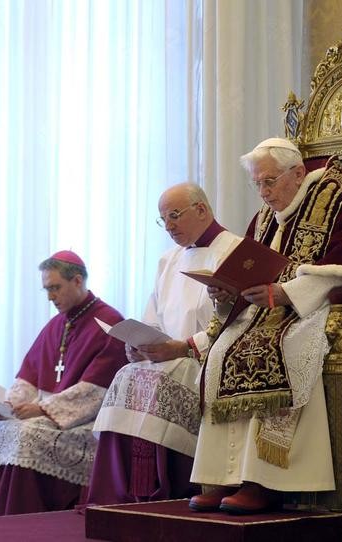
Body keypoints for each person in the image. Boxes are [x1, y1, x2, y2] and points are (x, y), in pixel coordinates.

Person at [188, 137, 342, 514]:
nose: (263, 193)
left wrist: (289, 292)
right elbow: (247, 266)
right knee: (221, 351)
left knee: (283, 349)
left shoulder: (341, 205)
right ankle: (222, 474)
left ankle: (266, 479)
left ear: (298, 174)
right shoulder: (264, 217)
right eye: (258, 183)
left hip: (314, 308)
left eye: (269, 182)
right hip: (265, 310)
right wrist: (226, 293)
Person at [87, 183, 241, 504]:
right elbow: (153, 320)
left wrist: (184, 346)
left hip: (206, 360)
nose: (169, 226)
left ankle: (165, 490)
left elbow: (235, 321)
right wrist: (138, 344)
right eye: (163, 219)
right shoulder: (168, 260)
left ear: (201, 210)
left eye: (174, 216)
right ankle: (120, 495)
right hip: (168, 358)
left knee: (161, 380)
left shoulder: (234, 251)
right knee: (127, 375)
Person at [0, 251, 127, 517]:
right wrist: (9, 406)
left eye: (55, 288)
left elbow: (96, 390)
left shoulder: (109, 322)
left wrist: (42, 409)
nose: (51, 297)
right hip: (52, 413)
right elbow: (29, 375)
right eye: (46, 290)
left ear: (77, 280)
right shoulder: (56, 325)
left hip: (86, 420)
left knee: (28, 434)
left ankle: (20, 520)